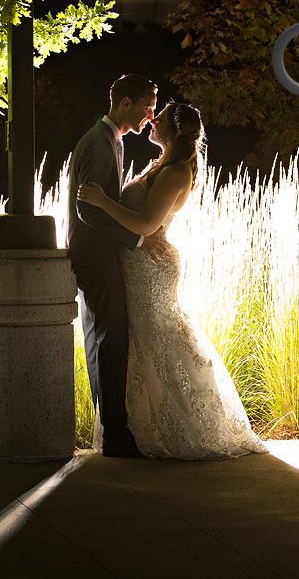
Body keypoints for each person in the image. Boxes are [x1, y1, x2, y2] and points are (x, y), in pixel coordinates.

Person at [78, 102, 267, 459]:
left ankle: (186, 427)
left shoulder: (177, 172)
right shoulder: (161, 165)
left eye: (159, 118)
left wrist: (103, 202)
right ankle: (141, 424)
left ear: (174, 131)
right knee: (142, 344)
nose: (152, 120)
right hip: (137, 264)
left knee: (159, 338)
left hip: (150, 269)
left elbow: (148, 225)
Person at [67, 74, 166, 459]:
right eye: (147, 107)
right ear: (126, 103)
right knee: (111, 338)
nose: (151, 116)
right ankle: (115, 432)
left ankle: (111, 429)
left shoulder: (110, 140)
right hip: (94, 253)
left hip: (97, 251)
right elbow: (87, 209)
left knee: (102, 337)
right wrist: (140, 239)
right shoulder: (100, 143)